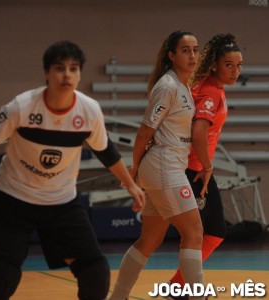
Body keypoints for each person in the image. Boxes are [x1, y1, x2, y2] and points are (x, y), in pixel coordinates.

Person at [0, 40, 145, 300]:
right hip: (13, 198)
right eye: (60, 68)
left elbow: (105, 150)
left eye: (73, 69)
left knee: (94, 270)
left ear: (80, 74)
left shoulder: (89, 111)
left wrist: (130, 184)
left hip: (60, 201)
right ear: (46, 73)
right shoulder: (21, 106)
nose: (67, 74)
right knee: (4, 271)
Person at [108, 31, 205, 300]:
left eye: (195, 50)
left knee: (149, 240)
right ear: (171, 55)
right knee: (194, 233)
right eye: (185, 50)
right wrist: (134, 168)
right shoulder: (168, 86)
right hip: (164, 167)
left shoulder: (183, 85)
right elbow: (144, 132)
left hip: (164, 167)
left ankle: (117, 297)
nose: (193, 55)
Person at [167, 33, 243, 300]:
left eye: (239, 65)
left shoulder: (207, 85)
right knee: (205, 233)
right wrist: (208, 167)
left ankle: (178, 287)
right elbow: (199, 132)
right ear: (214, 64)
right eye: (229, 65)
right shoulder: (210, 92)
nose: (235, 71)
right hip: (194, 170)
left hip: (188, 168)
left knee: (203, 233)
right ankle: (179, 288)